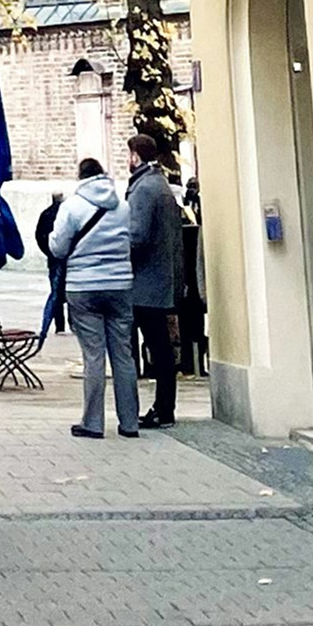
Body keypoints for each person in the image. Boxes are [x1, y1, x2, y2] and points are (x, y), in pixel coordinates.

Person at [48, 151, 140, 438]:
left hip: (83, 286)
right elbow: (131, 240)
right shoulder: (123, 206)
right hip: (120, 285)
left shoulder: (72, 206)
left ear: (81, 178)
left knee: (94, 356)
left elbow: (58, 248)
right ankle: (130, 423)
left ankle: (93, 423)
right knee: (123, 356)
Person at [124, 132, 184, 428]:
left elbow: (137, 236)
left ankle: (162, 409)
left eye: (129, 154)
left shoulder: (144, 189)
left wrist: (119, 253)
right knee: (160, 347)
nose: (128, 160)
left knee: (155, 348)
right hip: (161, 279)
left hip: (146, 283)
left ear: (136, 156)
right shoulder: (160, 185)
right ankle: (163, 407)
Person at [178, 176, 208, 377]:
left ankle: (191, 364)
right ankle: (195, 364)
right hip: (192, 284)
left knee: (191, 324)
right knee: (195, 324)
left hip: (187, 284)